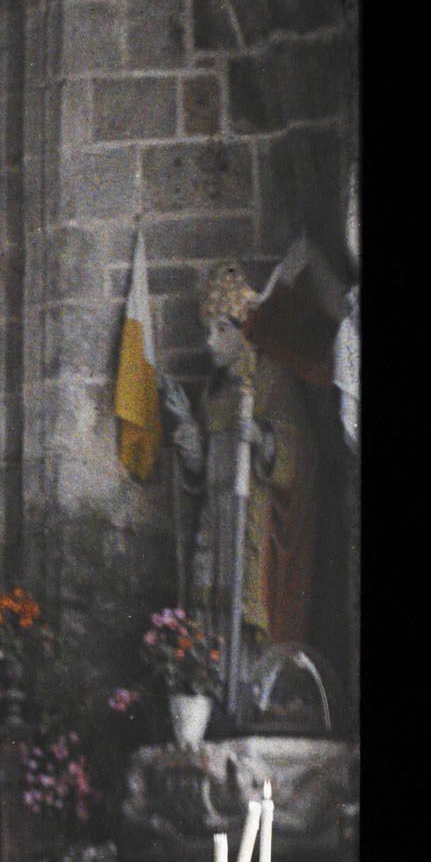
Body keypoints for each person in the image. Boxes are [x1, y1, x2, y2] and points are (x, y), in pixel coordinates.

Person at [159, 263, 321, 706]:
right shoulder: (214, 393)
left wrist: (266, 440)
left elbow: (303, 452)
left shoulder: (271, 381)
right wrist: (194, 447)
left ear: (241, 330)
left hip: (251, 525)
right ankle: (212, 705)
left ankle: (247, 703)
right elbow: (203, 471)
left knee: (245, 623)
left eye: (218, 331)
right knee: (209, 618)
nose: (209, 343)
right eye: (206, 332)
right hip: (216, 523)